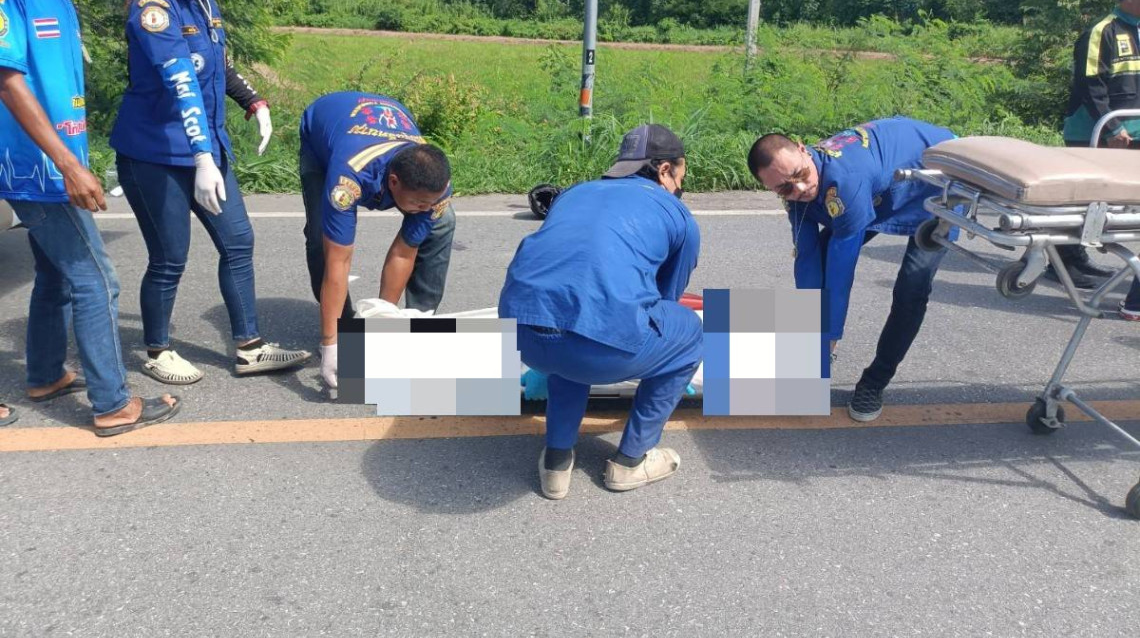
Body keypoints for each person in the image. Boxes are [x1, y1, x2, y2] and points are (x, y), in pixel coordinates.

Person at [0, 0, 180, 435]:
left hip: (56, 160)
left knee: (55, 272)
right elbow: (8, 79)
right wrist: (68, 164)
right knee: (97, 278)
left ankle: (45, 373)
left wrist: (77, 156)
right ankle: (112, 404)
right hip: (34, 166)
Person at [108, 0, 309, 386]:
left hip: (206, 150)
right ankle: (157, 350)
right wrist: (202, 157)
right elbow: (182, 84)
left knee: (238, 241)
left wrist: (254, 102)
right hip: (156, 155)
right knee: (170, 257)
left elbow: (217, 64)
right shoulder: (154, 7)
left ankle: (249, 348)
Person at [498, 124, 702, 500]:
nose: (680, 184)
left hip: (521, 335)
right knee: (688, 334)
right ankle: (631, 461)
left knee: (576, 318)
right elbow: (665, 301)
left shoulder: (573, 193)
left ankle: (556, 462)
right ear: (665, 170)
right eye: (681, 175)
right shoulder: (679, 215)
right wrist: (665, 372)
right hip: (595, 351)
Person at [747, 117, 956, 423]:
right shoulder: (795, 189)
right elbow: (807, 259)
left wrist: (827, 344)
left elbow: (840, 273)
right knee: (820, 257)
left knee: (911, 289)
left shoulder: (844, 181)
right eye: (784, 189)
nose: (801, 188)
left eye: (800, 175)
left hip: (939, 178)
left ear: (804, 150)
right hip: (886, 184)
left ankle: (875, 381)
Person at [298, 91, 456, 398]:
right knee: (321, 238)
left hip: (383, 126)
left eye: (430, 202)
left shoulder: (437, 187)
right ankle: (341, 332)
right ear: (394, 183)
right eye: (419, 203)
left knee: (442, 222)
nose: (425, 209)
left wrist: (383, 324)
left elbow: (403, 252)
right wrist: (331, 343)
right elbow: (339, 261)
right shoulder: (347, 179)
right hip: (324, 140)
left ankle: (413, 325)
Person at [1059, 0, 1140, 310]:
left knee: (1118, 204)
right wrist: (1112, 129)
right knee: (1082, 202)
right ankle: (1063, 262)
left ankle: (1072, 258)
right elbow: (1091, 83)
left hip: (1133, 129)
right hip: (1094, 129)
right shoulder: (1102, 30)